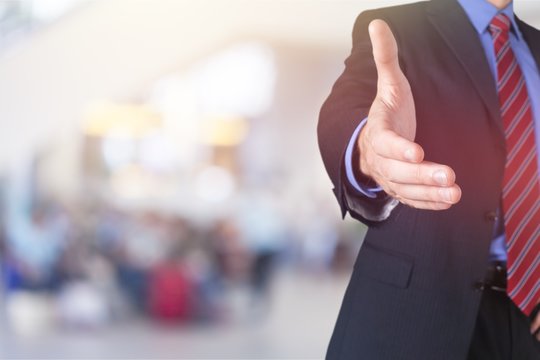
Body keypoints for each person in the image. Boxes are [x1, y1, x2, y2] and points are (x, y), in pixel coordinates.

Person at [317, 0, 540, 359]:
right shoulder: (396, 26)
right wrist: (368, 151)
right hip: (412, 315)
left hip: (524, 323)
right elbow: (349, 105)